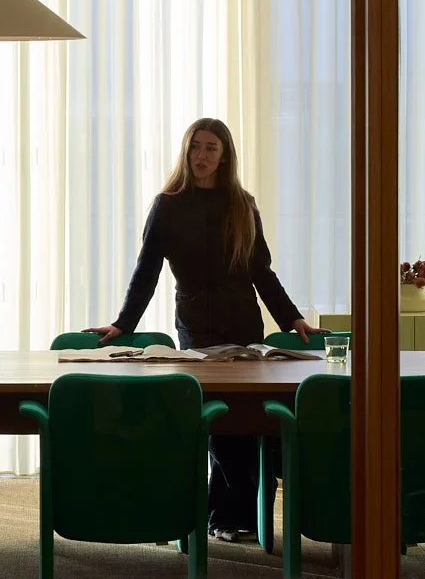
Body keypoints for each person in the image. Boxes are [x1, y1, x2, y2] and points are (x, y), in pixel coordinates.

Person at [85, 118, 323, 543]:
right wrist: (124, 323)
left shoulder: (242, 203)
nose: (201, 155)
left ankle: (241, 517)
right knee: (217, 422)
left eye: (211, 148)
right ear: (185, 150)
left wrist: (291, 319)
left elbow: (261, 272)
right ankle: (222, 515)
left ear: (225, 155)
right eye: (195, 146)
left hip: (244, 323)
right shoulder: (169, 204)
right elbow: (147, 271)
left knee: (249, 420)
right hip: (196, 327)